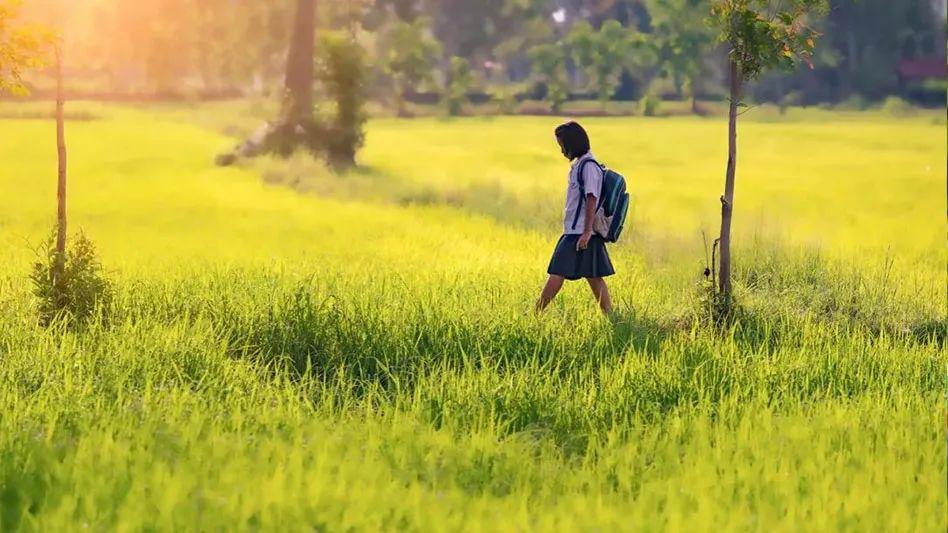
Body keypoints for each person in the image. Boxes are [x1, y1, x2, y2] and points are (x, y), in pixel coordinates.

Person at [536, 121, 614, 314]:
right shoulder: (581, 165)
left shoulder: (589, 167)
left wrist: (587, 232)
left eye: (563, 146)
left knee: (557, 272)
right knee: (593, 276)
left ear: (572, 144)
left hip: (580, 232)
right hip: (576, 231)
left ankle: (536, 313)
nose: (562, 151)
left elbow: (591, 198)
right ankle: (612, 316)